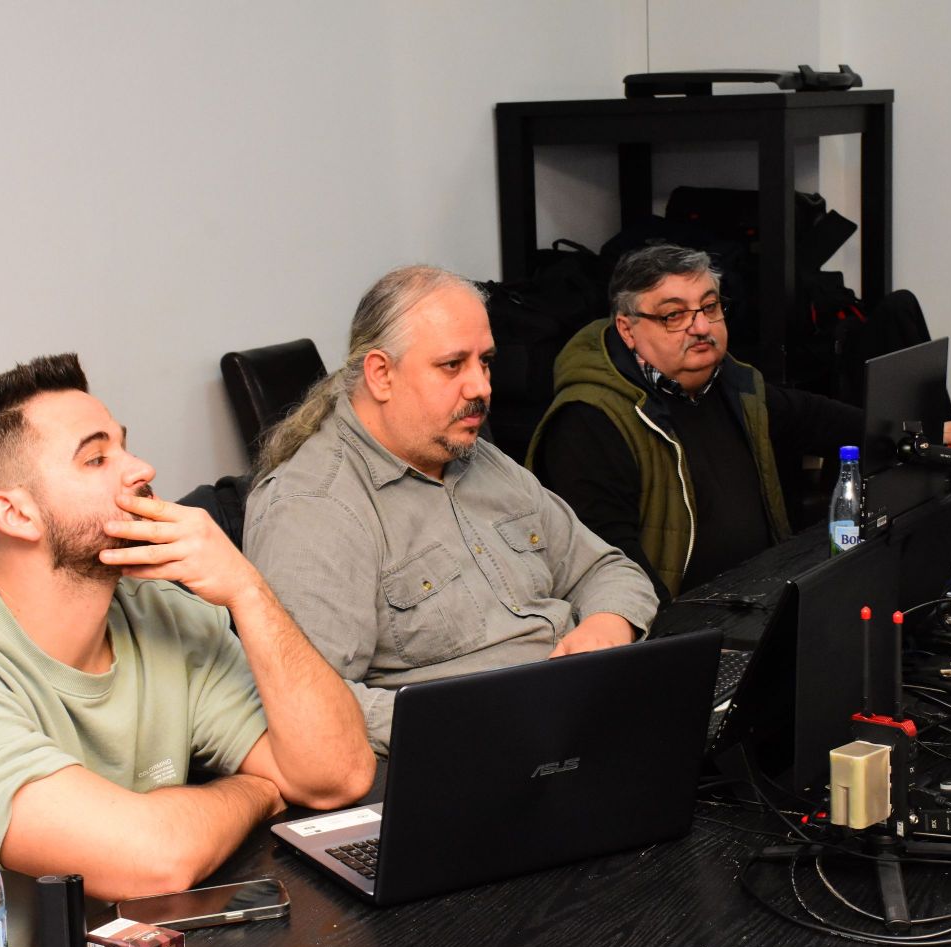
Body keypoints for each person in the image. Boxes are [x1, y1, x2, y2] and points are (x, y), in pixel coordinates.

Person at [0, 354, 374, 947]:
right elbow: (154, 859)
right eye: (97, 458)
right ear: (16, 513)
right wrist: (258, 790)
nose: (142, 469)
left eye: (123, 446)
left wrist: (247, 588)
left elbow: (337, 775)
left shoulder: (164, 614)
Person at [244, 265, 658, 754]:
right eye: (452, 365)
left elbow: (606, 568)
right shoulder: (314, 510)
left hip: (581, 716)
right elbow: (312, 706)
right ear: (381, 374)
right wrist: (485, 720)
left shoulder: (475, 455)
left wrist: (607, 626)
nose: (481, 387)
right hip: (476, 754)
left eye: (485, 362)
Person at [527, 243, 865, 602]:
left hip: (760, 599)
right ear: (627, 329)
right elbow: (611, 571)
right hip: (675, 624)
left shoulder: (733, 384)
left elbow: (822, 420)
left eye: (710, 306)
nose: (701, 327)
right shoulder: (589, 420)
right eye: (674, 315)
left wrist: (900, 426)